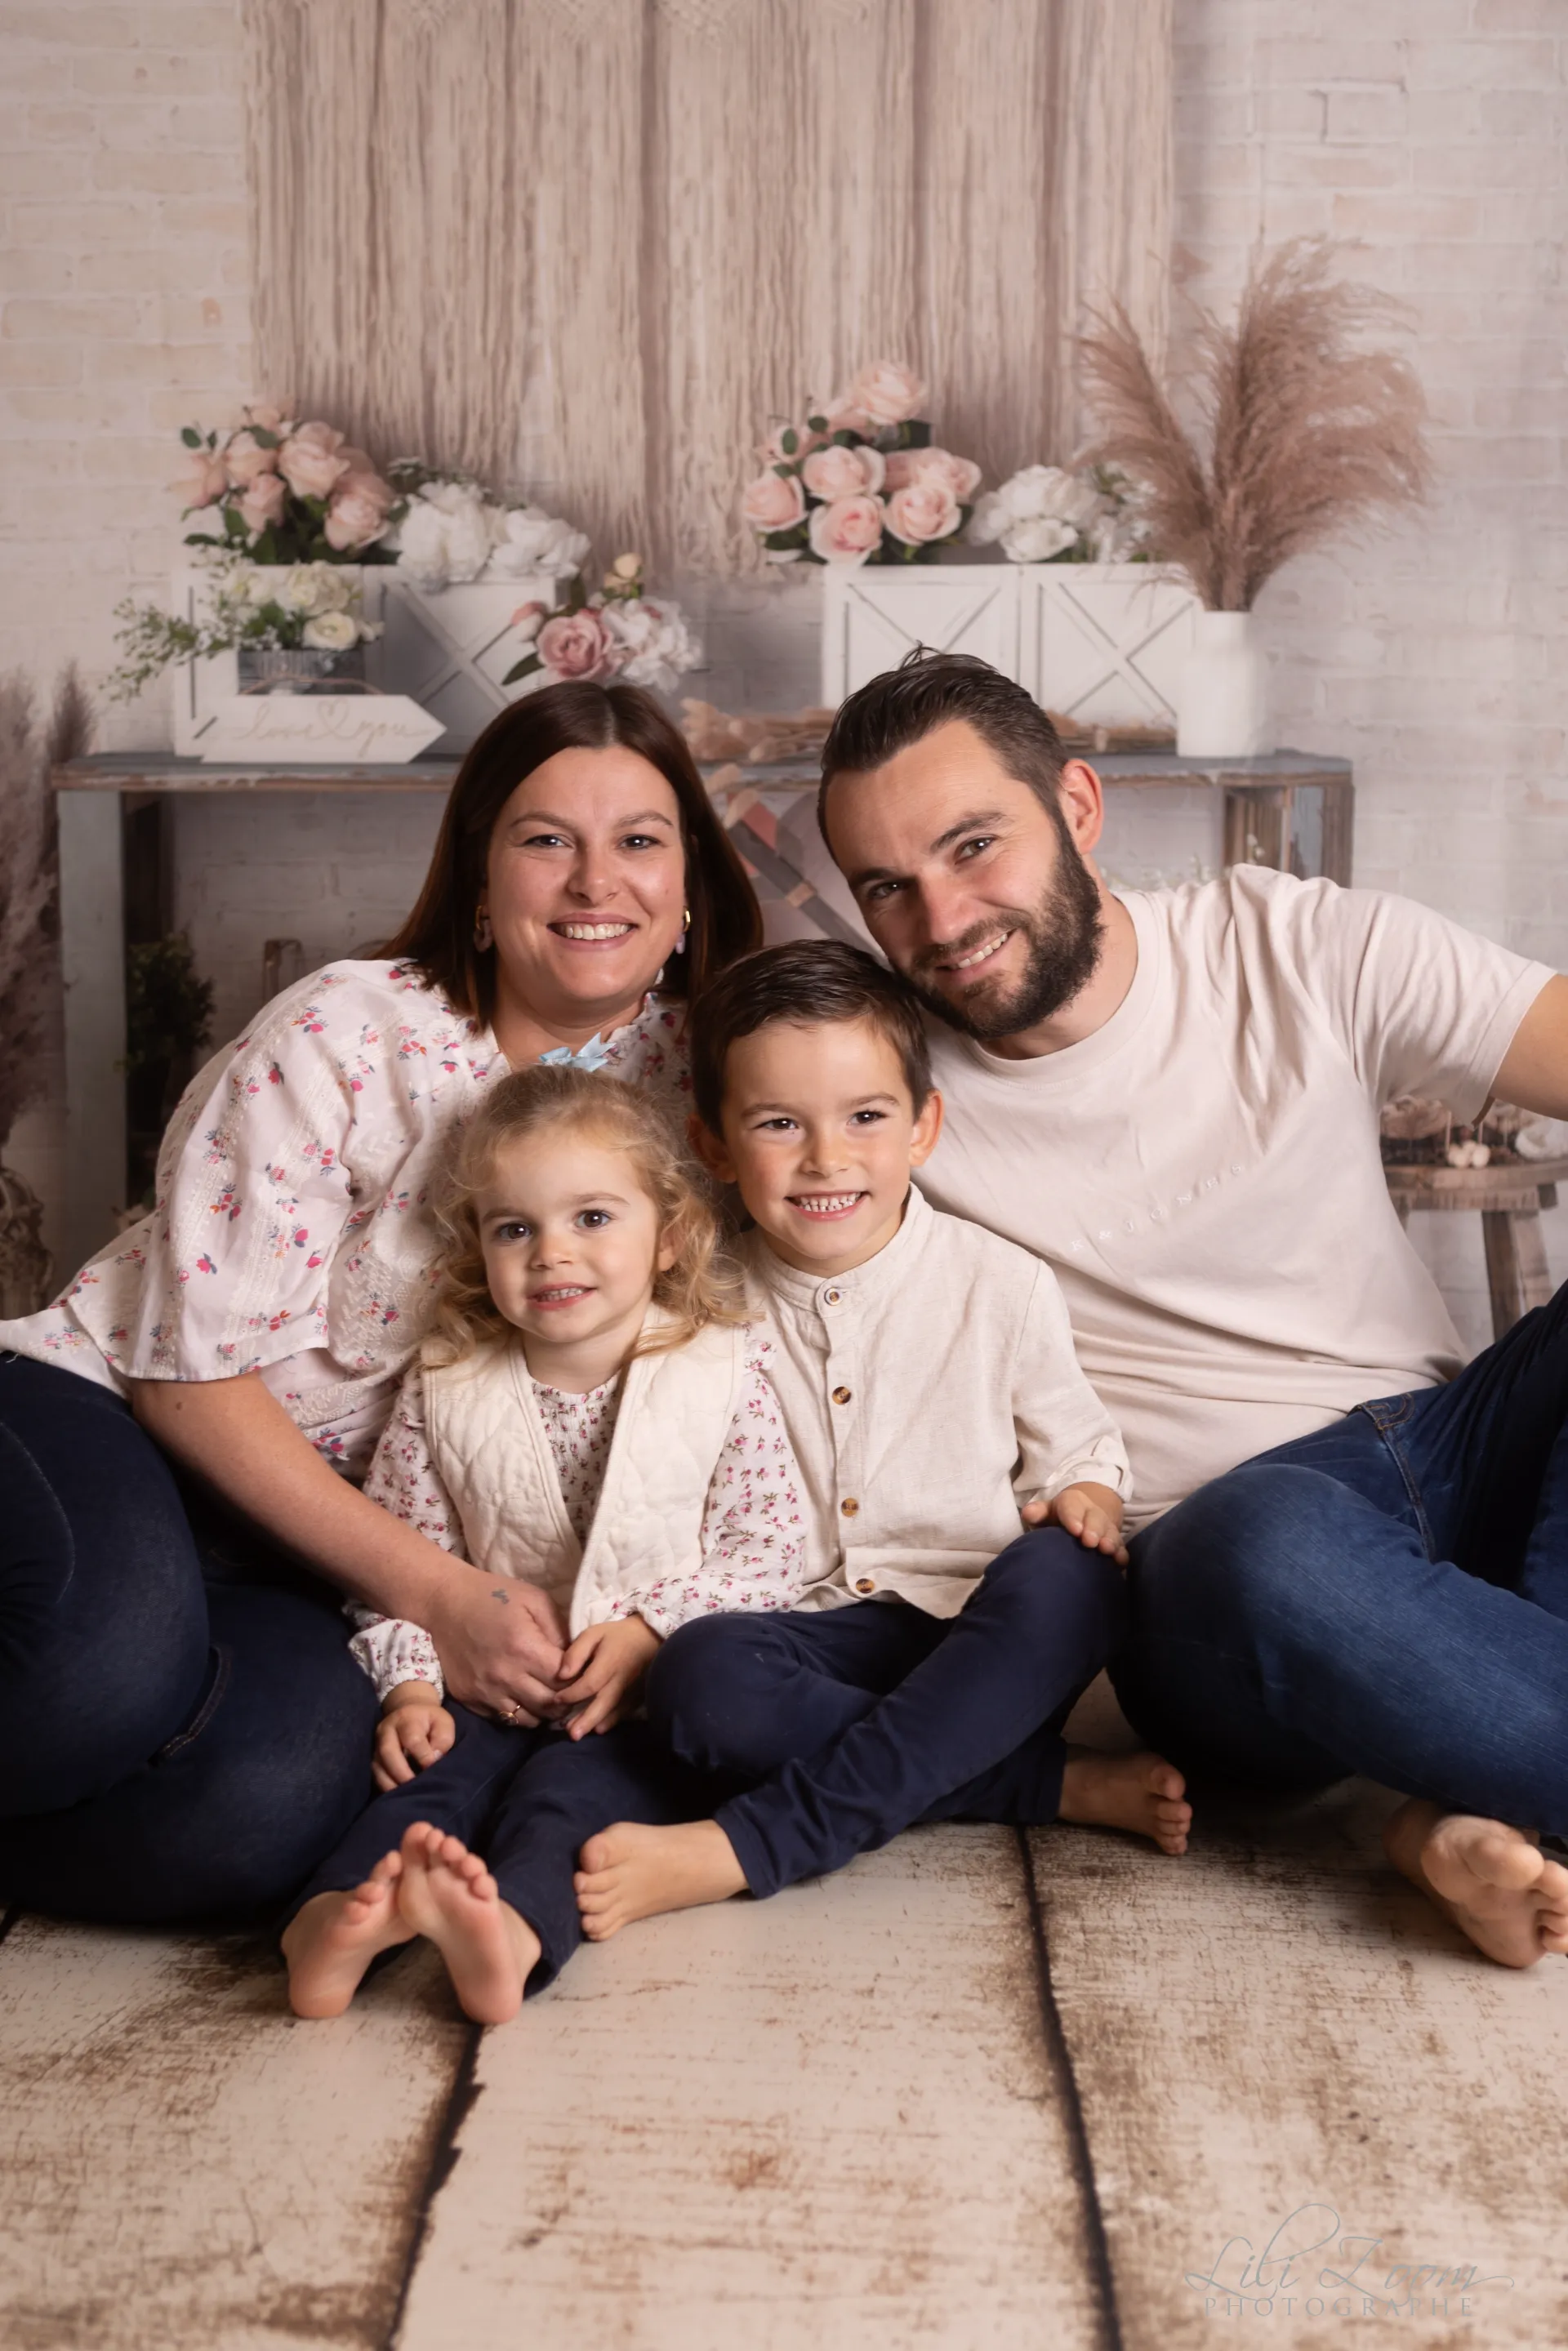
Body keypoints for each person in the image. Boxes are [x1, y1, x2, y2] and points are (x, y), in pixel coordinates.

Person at [802, 648, 1568, 1970]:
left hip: (1452, 1444)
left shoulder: (1294, 941)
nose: (941, 915)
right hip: (1218, 1567)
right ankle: (1476, 1760)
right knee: (1258, 1541)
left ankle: (1450, 1801)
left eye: (974, 844)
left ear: (1080, 808)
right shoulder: (871, 1090)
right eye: (887, 886)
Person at [0, 681, 762, 1923]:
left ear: (688, 888)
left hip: (311, 1562)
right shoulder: (349, 1034)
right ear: (477, 879)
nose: (593, 881)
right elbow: (181, 1371)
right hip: (118, 1423)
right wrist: (443, 1595)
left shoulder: (715, 1079)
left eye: (638, 839)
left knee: (272, 1811)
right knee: (98, 1675)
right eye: (543, 838)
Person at [571, 942, 1192, 1937]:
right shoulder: (698, 1302)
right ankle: (1041, 1783)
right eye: (780, 1123)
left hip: (973, 1626)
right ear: (717, 1144)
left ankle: (751, 1843)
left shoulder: (1001, 1281)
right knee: (696, 1678)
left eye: (866, 1116)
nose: (827, 1158)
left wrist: (1090, 1500)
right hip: (804, 1633)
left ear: (923, 1127)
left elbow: (1080, 1446)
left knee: (1073, 1578)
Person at [281, 1065, 805, 2022]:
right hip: (487, 1688)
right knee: (421, 1782)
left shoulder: (721, 1365)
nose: (552, 1252)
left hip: (630, 1708)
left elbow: (770, 1548)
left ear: (671, 1235)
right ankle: (328, 1923)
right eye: (514, 1227)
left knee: (568, 1807)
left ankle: (510, 1937)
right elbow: (402, 1561)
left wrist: (655, 1627)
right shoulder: (447, 1381)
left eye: (594, 1217)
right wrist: (409, 1684)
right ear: (478, 1249)